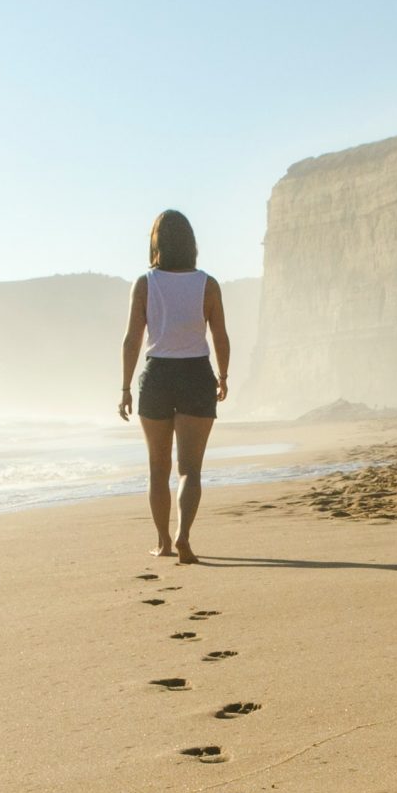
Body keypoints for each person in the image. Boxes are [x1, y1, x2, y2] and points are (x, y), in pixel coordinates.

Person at [118, 209, 229, 564]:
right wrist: (223, 376)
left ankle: (164, 541)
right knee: (190, 470)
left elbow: (131, 340)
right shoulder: (207, 284)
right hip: (197, 374)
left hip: (157, 376)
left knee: (158, 468)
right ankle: (184, 537)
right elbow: (221, 336)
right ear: (191, 244)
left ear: (157, 243)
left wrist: (124, 388)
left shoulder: (146, 283)